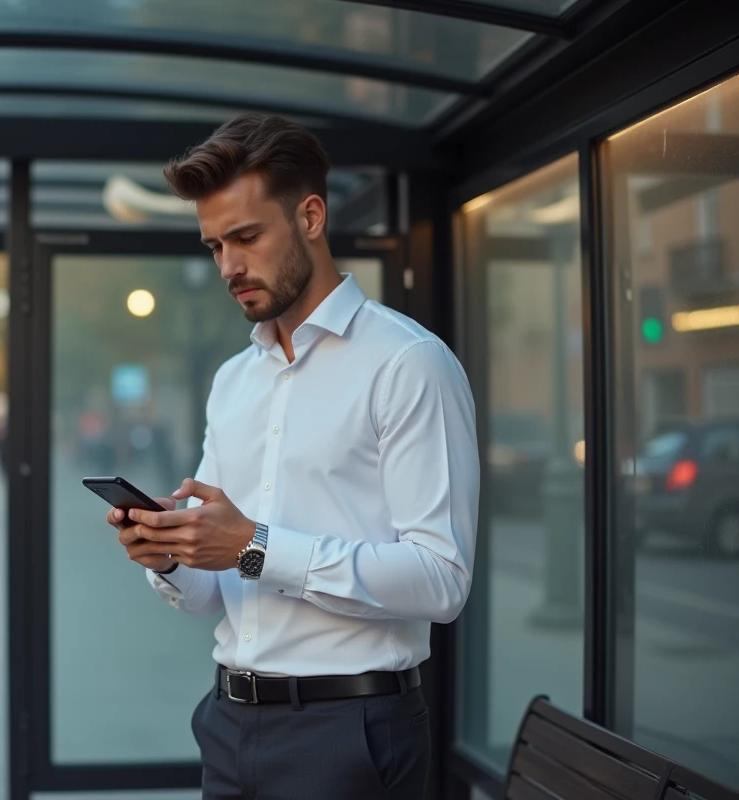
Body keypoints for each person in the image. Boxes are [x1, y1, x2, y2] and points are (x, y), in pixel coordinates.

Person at [106, 114, 479, 799]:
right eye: (215, 245)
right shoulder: (233, 381)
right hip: (227, 723)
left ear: (310, 217)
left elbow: (442, 580)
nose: (228, 266)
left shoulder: (408, 363)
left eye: (246, 237)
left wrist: (254, 546)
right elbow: (210, 593)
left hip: (350, 731)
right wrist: (168, 552)